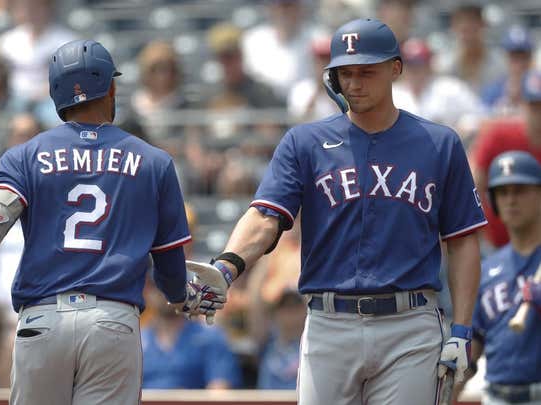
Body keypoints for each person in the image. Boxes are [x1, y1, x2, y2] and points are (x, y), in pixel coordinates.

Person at [190, 18, 486, 404]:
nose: (355, 83)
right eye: (345, 73)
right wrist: (227, 266)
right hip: (330, 321)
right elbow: (266, 217)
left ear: (395, 68)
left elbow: (463, 240)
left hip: (410, 324)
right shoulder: (305, 142)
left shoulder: (439, 143)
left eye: (367, 71)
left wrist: (462, 328)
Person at [0, 39, 219, 405]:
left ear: (56, 94)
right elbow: (168, 263)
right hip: (112, 322)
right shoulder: (153, 162)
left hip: (42, 321)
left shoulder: (24, 156)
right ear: (111, 87)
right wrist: (183, 295)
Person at [460, 151, 541, 404]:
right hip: (497, 396)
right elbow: (474, 346)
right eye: (503, 192)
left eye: (520, 190)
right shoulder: (486, 269)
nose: (511, 200)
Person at [470, 70, 541, 248]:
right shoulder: (499, 134)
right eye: (534, 106)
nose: (538, 114)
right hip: (494, 242)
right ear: (523, 104)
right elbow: (473, 184)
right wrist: (478, 230)